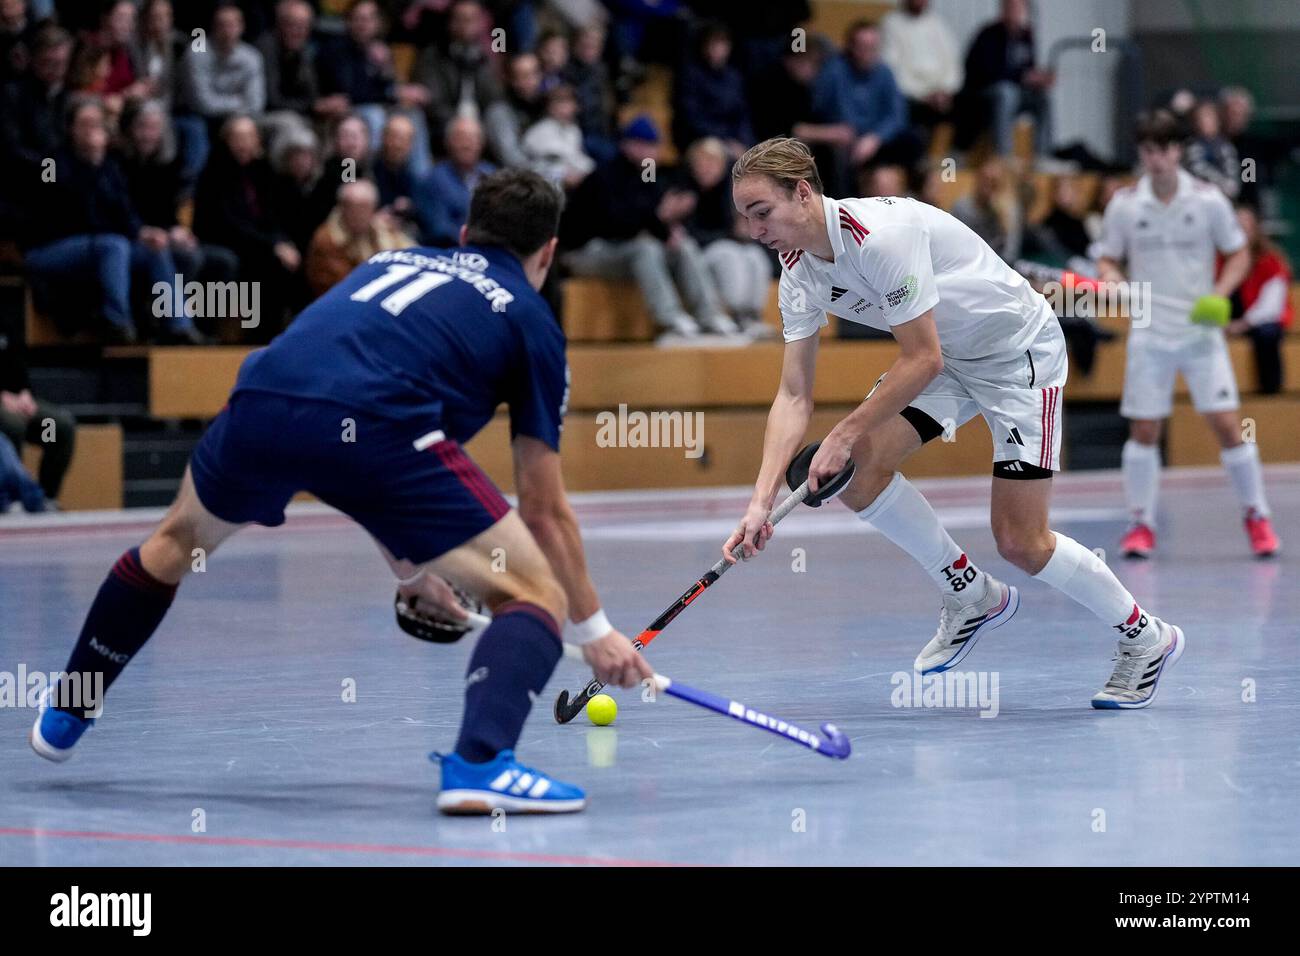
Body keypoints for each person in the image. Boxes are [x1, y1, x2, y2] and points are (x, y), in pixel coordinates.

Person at [30, 168, 653, 815]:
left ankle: (71, 705)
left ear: (465, 234)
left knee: (171, 545)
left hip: (264, 395)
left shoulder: (393, 261)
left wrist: (413, 572)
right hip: (379, 426)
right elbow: (544, 510)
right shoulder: (532, 320)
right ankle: (482, 764)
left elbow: (343, 416)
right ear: (548, 252)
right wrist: (595, 628)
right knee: (532, 592)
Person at [724, 136, 1185, 710]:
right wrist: (759, 501)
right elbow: (793, 394)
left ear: (802, 192)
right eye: (744, 218)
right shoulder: (798, 271)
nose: (754, 230)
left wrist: (842, 434)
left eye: (761, 212)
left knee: (1021, 541)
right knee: (861, 473)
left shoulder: (878, 239)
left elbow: (922, 358)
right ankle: (970, 594)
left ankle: (1146, 637)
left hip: (1017, 354)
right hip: (949, 358)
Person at [1096, 111, 1278, 559]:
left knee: (1227, 425)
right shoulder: (1123, 205)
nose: (1156, 160)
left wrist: (1219, 293)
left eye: (1164, 149)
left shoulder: (1209, 200)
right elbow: (1107, 260)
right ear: (1141, 154)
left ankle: (1256, 515)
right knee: (1143, 428)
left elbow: (1238, 254)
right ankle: (1141, 522)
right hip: (1150, 333)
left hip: (1200, 332)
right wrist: (1115, 282)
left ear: (1178, 151)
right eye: (1148, 151)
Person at [1228, 204, 1292, 395]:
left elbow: (1270, 307)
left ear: (1255, 229)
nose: (1241, 231)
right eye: (1236, 226)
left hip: (1258, 320)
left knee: (1268, 333)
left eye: (1245, 226)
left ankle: (1270, 392)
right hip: (1228, 316)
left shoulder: (1270, 260)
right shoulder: (1218, 260)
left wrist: (1242, 324)